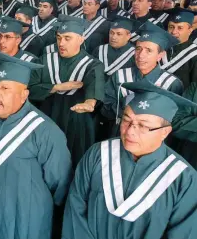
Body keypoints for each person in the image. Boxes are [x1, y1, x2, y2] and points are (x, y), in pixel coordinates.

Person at [63, 81, 197, 239]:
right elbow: (75, 210)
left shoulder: (184, 179)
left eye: (143, 125)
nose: (130, 131)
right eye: (126, 120)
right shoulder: (97, 154)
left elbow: (184, 233)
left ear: (165, 132)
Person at [0, 52, 72, 239]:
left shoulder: (45, 131)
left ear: (24, 95)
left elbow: (60, 182)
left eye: (5, 88)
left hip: (22, 217)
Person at [29, 16, 105, 167]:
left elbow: (94, 84)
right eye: (59, 38)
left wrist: (90, 102)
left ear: (81, 40)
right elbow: (29, 89)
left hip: (76, 120)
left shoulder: (92, 64)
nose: (61, 43)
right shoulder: (44, 60)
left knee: (73, 161)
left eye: (67, 38)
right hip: (47, 117)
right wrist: (57, 87)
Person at [101, 22, 183, 138]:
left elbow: (173, 119)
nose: (141, 55)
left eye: (149, 50)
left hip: (152, 140)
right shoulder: (120, 76)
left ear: (160, 55)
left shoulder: (171, 83)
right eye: (138, 49)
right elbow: (105, 108)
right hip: (119, 133)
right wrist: (124, 105)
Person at [162, 8, 197, 89]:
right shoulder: (160, 48)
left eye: (180, 28)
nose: (174, 31)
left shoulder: (194, 55)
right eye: (171, 27)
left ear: (190, 30)